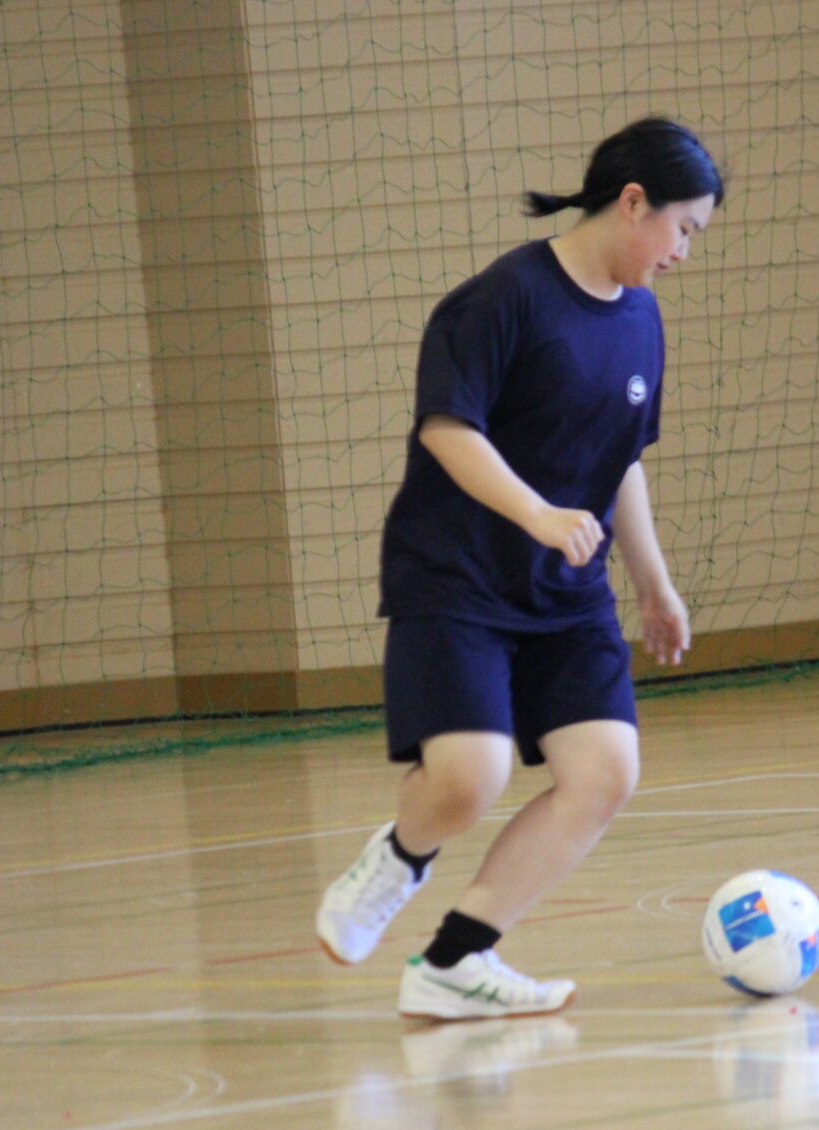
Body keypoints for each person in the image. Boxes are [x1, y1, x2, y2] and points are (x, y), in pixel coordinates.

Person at [315, 117, 721, 1018]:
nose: (684, 254)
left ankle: (455, 963)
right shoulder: (501, 299)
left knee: (606, 770)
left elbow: (622, 464)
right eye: (684, 229)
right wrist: (536, 513)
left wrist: (654, 583)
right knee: (469, 778)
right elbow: (447, 430)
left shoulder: (642, 321)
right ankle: (395, 861)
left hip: (565, 596)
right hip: (458, 579)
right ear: (632, 203)